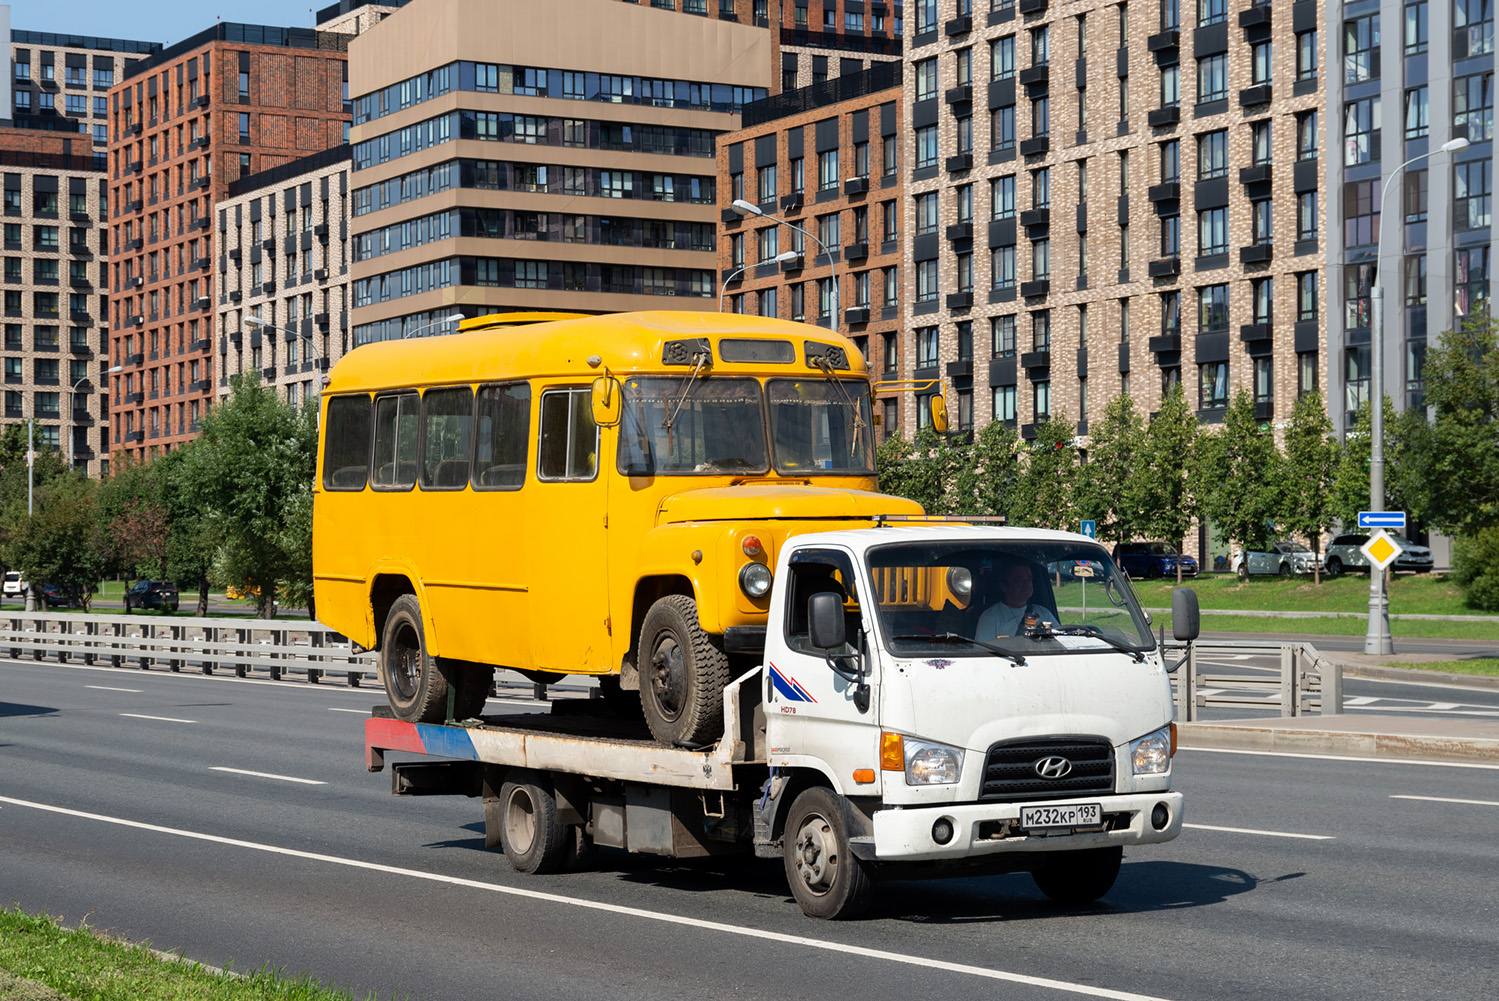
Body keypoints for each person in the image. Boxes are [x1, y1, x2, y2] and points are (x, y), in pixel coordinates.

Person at [975, 561, 1052, 639]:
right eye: (1020, 580)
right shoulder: (990, 617)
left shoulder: (1043, 613)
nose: (1026, 584)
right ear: (1004, 586)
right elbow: (983, 651)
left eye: (1029, 579)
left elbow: (1061, 642)